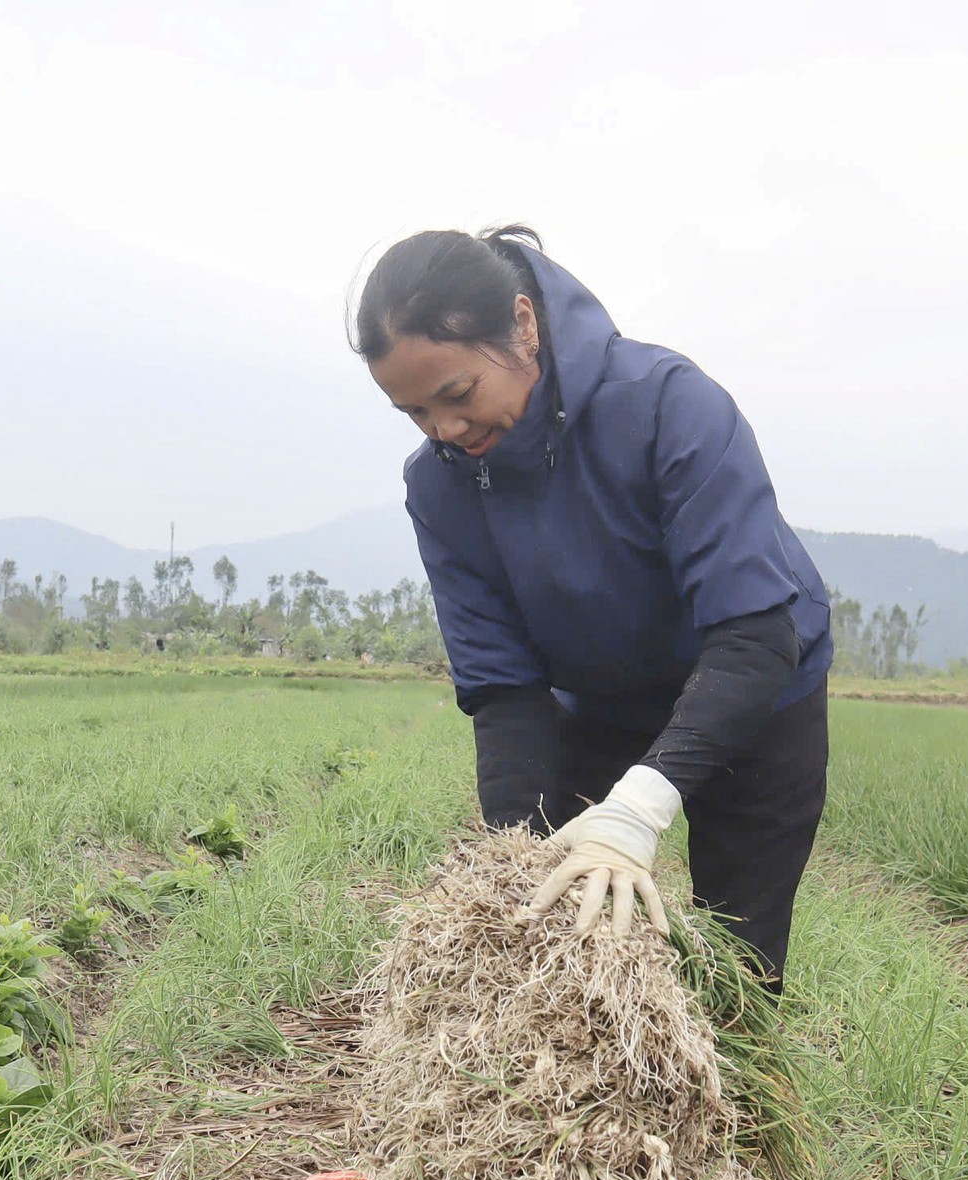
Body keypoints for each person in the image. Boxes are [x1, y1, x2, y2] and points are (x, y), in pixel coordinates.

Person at [353, 226, 832, 991]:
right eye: (413, 412)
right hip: (599, 703)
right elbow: (505, 690)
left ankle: (744, 1087)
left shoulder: (668, 404)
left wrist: (638, 809)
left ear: (524, 325)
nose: (444, 431)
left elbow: (754, 632)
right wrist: (512, 866)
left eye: (457, 395)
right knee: (550, 929)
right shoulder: (440, 484)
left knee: (739, 967)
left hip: (754, 692)